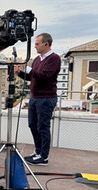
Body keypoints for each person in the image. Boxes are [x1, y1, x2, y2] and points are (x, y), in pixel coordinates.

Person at [14, 32, 61, 166]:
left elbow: (45, 76)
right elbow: (33, 77)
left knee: (43, 127)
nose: (35, 47)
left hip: (46, 98)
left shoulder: (54, 59)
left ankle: (44, 157)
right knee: (33, 125)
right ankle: (38, 151)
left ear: (46, 44)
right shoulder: (37, 59)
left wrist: (27, 68)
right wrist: (20, 73)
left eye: (37, 44)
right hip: (35, 97)